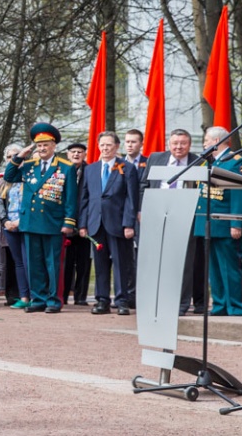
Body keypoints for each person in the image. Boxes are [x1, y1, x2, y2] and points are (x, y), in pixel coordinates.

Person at [4, 123, 78, 313]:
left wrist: (68, 221)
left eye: (46, 144)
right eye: (39, 145)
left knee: (53, 264)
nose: (42, 148)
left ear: (54, 145)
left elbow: (70, 197)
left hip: (53, 222)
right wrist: (20, 155)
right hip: (30, 222)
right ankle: (38, 299)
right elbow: (9, 176)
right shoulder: (29, 165)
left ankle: (54, 300)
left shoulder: (66, 167)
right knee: (34, 263)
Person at [138, 128, 202, 315]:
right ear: (169, 144)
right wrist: (143, 210)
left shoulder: (198, 161)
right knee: (158, 262)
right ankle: (158, 302)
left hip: (185, 217)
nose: (179, 147)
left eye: (183, 143)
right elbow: (143, 185)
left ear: (189, 145)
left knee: (184, 262)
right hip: (158, 215)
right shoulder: (155, 158)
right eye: (175, 143)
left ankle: (181, 304)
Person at [78, 131, 139, 316]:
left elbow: (131, 198)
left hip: (118, 223)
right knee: (100, 263)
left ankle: (122, 301)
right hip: (96, 224)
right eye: (102, 145)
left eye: (109, 145)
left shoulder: (127, 168)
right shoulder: (91, 169)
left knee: (121, 263)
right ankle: (102, 300)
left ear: (116, 147)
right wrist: (82, 224)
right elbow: (85, 198)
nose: (105, 148)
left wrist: (129, 224)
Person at [192, 127, 242, 315]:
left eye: (206, 140)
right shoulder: (208, 162)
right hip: (208, 221)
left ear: (216, 141)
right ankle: (220, 305)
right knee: (213, 267)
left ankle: (235, 306)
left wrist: (236, 223)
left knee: (229, 267)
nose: (204, 144)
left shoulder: (235, 162)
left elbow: (238, 194)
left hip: (226, 222)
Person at [0, 144, 30, 309]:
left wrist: (20, 221)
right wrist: (5, 221)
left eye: (17, 156)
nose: (14, 159)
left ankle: (34, 295)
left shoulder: (29, 175)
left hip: (26, 224)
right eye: (10, 157)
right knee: (18, 262)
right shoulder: (6, 180)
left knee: (29, 261)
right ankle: (23, 296)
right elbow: (0, 202)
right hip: (9, 225)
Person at [62, 142, 91, 307]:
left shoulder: (90, 171)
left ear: (84, 155)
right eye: (73, 152)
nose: (76, 155)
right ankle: (63, 295)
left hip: (84, 224)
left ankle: (80, 297)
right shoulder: (62, 170)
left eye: (80, 152)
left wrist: (84, 224)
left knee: (84, 263)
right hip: (65, 224)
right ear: (68, 154)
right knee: (65, 263)